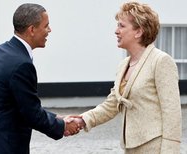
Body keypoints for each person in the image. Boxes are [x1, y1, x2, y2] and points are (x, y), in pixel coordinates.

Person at [70, 1, 182, 153]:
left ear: (139, 31)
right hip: (130, 148)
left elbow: (172, 113)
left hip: (155, 148)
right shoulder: (124, 64)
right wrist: (83, 120)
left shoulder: (161, 61)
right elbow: (112, 104)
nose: (116, 31)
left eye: (121, 26)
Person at [0, 3, 80, 154]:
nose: (49, 30)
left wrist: (57, 117)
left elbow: (17, 104)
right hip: (2, 146)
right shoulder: (21, 64)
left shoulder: (0, 52)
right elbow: (31, 113)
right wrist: (62, 126)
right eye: (46, 26)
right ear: (32, 29)